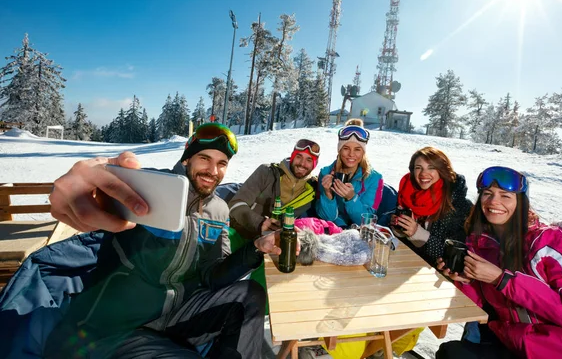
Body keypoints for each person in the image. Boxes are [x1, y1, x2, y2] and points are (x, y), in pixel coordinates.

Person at [41, 123, 295, 359]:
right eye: (204, 158)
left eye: (222, 163)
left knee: (250, 293)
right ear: (187, 158)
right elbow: (98, 193)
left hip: (178, 315)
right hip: (120, 325)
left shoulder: (219, 210)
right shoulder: (146, 188)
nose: (213, 171)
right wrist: (83, 190)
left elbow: (213, 275)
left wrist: (255, 248)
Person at [436, 166, 562, 359]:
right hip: (516, 343)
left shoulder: (551, 243)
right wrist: (466, 281)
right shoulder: (482, 244)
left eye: (505, 196)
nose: (493, 201)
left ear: (521, 202)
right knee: (451, 353)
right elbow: (484, 305)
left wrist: (503, 280)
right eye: (487, 194)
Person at [391, 147, 472, 266]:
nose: (424, 173)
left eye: (431, 168)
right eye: (418, 168)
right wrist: (400, 228)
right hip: (408, 263)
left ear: (442, 170)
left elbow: (452, 256)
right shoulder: (408, 193)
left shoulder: (456, 203)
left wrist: (417, 233)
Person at [229, 138, 320, 239]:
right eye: (299, 157)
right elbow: (236, 204)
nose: (302, 164)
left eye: (309, 160)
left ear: (314, 164)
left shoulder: (312, 189)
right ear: (293, 157)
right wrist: (259, 223)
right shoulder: (267, 173)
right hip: (241, 234)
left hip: (275, 243)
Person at [316, 119, 383, 228]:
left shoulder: (375, 178)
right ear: (339, 150)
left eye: (357, 149)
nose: (351, 154)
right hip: (333, 231)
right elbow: (326, 218)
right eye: (346, 148)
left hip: (358, 234)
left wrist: (352, 198)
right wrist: (327, 194)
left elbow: (367, 223)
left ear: (363, 152)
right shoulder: (325, 173)